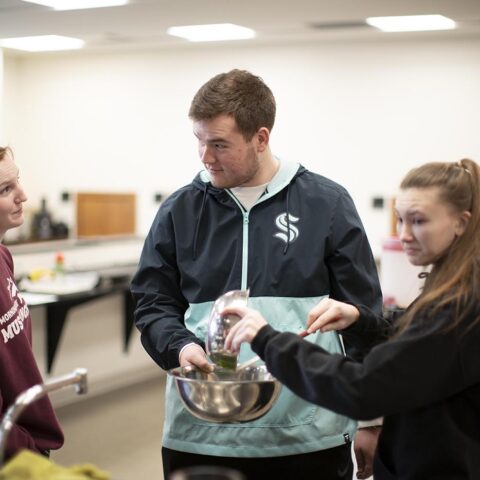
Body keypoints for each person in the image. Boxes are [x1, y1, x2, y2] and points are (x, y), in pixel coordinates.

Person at [131, 69, 385, 480]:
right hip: (200, 433)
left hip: (308, 433)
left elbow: (362, 315)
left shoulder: (328, 203)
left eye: (219, 144)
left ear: (260, 138)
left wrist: (370, 417)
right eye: (199, 140)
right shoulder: (179, 211)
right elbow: (152, 303)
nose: (205, 156)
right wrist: (179, 347)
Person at [224, 158, 480, 479]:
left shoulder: (461, 305)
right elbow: (414, 341)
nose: (404, 235)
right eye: (399, 220)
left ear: (461, 222)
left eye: (418, 221)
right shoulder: (450, 284)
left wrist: (267, 339)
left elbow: (364, 388)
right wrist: (359, 319)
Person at [0, 146, 64, 461]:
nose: (22, 195)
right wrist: (20, 447)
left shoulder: (3, 256)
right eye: (5, 189)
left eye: (18, 182)